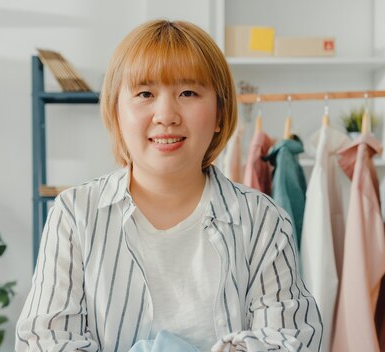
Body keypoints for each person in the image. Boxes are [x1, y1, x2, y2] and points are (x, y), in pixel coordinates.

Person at [16, 19, 322, 352]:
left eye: (188, 93)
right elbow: (45, 342)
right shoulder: (75, 215)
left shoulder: (263, 221)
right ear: (116, 111)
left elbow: (291, 341)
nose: (166, 114)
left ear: (220, 112)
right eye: (145, 93)